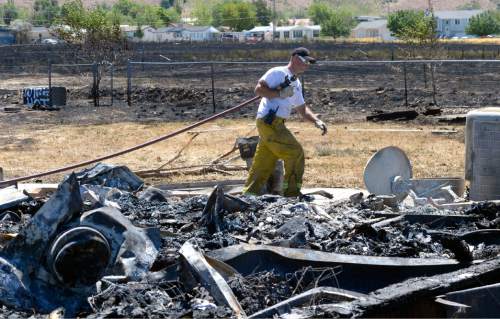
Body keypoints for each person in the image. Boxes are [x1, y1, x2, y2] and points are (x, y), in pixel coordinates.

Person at [243, 47, 327, 197]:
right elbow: (258, 90)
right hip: (269, 122)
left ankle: (249, 195)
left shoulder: (296, 83)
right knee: (295, 153)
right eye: (304, 61)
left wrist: (316, 120)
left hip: (276, 124)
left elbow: (302, 109)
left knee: (263, 163)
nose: (306, 65)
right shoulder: (278, 72)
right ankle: (291, 194)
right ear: (294, 58)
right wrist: (279, 93)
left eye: (309, 63)